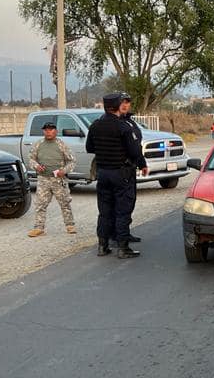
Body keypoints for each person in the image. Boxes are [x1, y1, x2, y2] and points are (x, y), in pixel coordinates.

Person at [85, 92, 148, 259]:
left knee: (104, 211)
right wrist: (140, 162)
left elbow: (89, 148)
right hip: (121, 173)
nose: (125, 105)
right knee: (122, 210)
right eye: (123, 102)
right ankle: (123, 247)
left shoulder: (96, 125)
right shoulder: (123, 127)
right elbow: (135, 151)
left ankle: (102, 246)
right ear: (117, 105)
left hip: (103, 173)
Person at [27, 122, 76, 237]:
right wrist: (36, 166)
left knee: (65, 203)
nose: (48, 132)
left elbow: (72, 161)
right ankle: (39, 228)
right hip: (43, 179)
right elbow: (31, 159)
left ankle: (70, 225)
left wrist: (63, 171)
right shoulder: (38, 144)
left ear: (55, 131)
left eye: (50, 129)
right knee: (40, 204)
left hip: (58, 180)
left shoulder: (61, 144)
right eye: (46, 130)